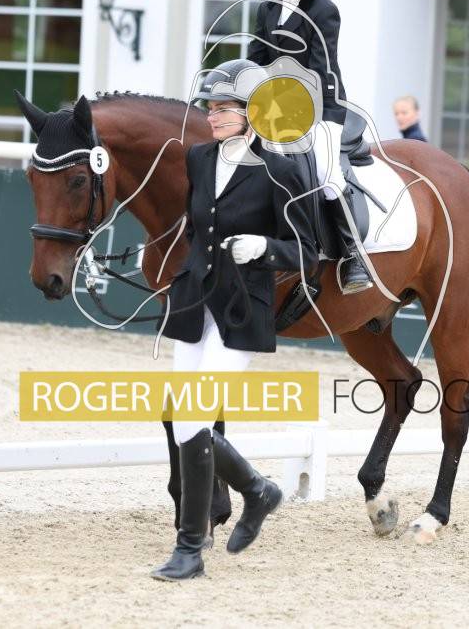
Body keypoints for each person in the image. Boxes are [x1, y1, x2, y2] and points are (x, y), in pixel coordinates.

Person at [153, 59, 318, 582]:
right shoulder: (199, 157)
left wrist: (264, 247)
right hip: (193, 303)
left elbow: (308, 251)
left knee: (193, 418)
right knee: (185, 420)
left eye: (225, 108)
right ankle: (257, 490)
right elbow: (194, 225)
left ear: (253, 113)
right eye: (211, 107)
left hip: (242, 307)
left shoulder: (279, 171)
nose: (213, 115)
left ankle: (190, 548)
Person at [245, 0, 373, 294]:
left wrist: (284, 102)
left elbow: (319, 69)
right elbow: (255, 58)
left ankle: (353, 256)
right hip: (274, 107)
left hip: (320, 106)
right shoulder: (268, 9)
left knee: (326, 173)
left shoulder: (324, 11)